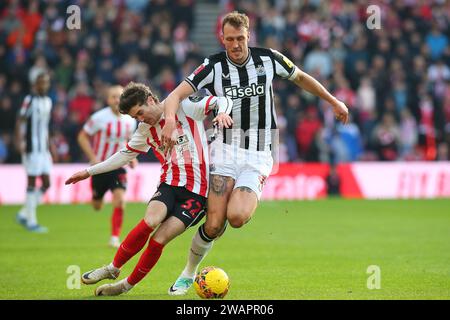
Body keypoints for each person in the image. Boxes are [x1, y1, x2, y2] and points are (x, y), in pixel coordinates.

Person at [161, 11, 349, 295]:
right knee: (213, 224)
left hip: (258, 154)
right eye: (229, 39)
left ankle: (249, 191)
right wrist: (171, 120)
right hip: (224, 151)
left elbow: (301, 78)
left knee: (235, 217)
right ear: (222, 38)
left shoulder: (269, 59)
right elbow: (175, 95)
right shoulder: (212, 65)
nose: (235, 44)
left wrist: (333, 100)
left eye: (240, 38)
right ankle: (189, 272)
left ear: (249, 35)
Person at [65, 82, 233, 296]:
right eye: (136, 118)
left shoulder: (185, 108)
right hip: (169, 184)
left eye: (140, 113)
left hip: (197, 194)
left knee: (158, 239)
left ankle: (126, 285)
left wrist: (223, 113)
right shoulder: (145, 130)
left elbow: (222, 100)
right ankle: (112, 268)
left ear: (151, 100)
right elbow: (124, 155)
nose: (141, 120)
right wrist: (89, 171)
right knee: (150, 221)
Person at [77, 85, 137, 248]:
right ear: (107, 99)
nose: (117, 100)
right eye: (113, 97)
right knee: (97, 205)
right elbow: (82, 137)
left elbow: (131, 140)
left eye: (120, 96)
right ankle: (97, 197)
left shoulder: (130, 119)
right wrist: (93, 158)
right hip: (100, 167)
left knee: (120, 201)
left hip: (118, 166)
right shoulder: (98, 118)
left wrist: (132, 158)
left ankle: (114, 238)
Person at [15, 72, 53, 233]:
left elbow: (45, 126)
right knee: (31, 182)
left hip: (43, 150)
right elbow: (20, 119)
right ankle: (31, 221)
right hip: (31, 148)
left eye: (46, 82)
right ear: (35, 84)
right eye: (40, 82)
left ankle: (24, 213)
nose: (43, 85)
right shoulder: (29, 100)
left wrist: (51, 145)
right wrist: (19, 141)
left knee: (46, 183)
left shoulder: (48, 101)